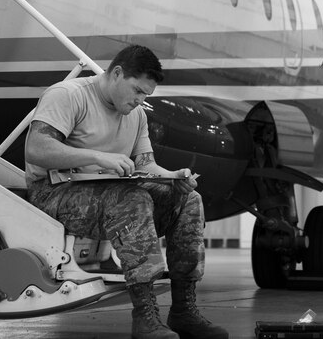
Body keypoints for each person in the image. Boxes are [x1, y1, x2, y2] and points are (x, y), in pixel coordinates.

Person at [25, 44, 229, 339]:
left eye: (146, 94)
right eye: (137, 91)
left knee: (188, 199)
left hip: (106, 193)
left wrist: (172, 177)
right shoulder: (68, 95)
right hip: (54, 192)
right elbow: (36, 149)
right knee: (132, 198)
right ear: (117, 73)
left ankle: (184, 310)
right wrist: (96, 157)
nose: (140, 100)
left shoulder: (137, 115)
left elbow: (147, 165)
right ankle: (145, 316)